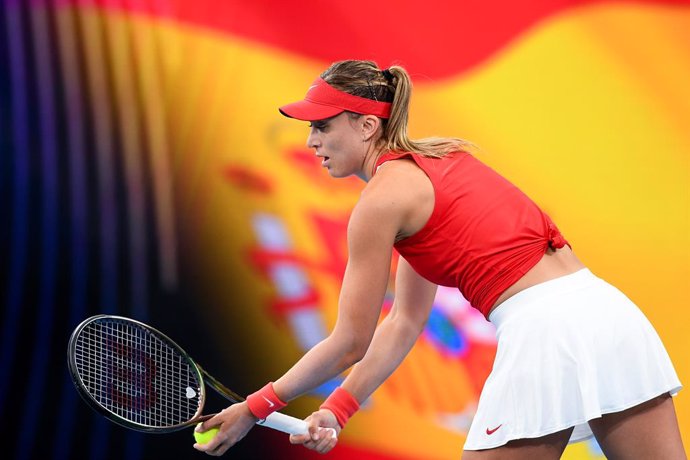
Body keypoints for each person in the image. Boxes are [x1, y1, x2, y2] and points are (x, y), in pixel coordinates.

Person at [193, 60, 685, 459]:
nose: (310, 141)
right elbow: (404, 321)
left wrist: (255, 407)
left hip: (547, 332)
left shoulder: (381, 201)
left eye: (321, 125)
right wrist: (339, 409)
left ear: (367, 125)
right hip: (610, 313)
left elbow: (349, 342)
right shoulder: (439, 163)